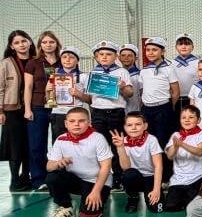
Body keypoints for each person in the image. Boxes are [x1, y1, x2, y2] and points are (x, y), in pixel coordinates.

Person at [45, 106, 113, 217]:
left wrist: (96, 191)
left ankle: (101, 197)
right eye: (72, 121)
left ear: (89, 122)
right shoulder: (61, 139)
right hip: (76, 180)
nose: (76, 124)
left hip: (97, 182)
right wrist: (57, 163)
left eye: (81, 121)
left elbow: (106, 167)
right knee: (52, 177)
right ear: (66, 124)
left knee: (89, 216)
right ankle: (66, 206)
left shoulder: (97, 138)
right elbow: (49, 167)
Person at [85, 40, 134, 184]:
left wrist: (123, 87)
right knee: (99, 145)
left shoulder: (122, 72)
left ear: (116, 57)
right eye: (101, 54)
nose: (105, 57)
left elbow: (130, 93)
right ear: (96, 57)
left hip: (116, 113)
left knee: (117, 145)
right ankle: (102, 177)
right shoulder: (92, 74)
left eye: (108, 54)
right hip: (98, 113)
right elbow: (89, 98)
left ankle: (118, 178)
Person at [0, 30, 35, 191]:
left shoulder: (36, 61)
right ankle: (14, 180)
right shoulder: (5, 63)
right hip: (12, 111)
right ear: (12, 46)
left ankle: (26, 176)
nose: (21, 45)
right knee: (14, 146)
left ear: (29, 42)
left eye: (23, 41)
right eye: (17, 43)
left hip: (33, 108)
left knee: (30, 144)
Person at [22, 30, 60, 192]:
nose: (48, 45)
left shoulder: (63, 61)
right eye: (44, 42)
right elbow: (28, 87)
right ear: (39, 45)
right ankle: (38, 179)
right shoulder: (33, 63)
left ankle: (58, 177)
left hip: (60, 108)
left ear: (57, 44)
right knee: (37, 144)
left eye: (51, 42)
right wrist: (27, 109)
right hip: (38, 107)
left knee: (60, 143)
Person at [111, 111, 164, 214]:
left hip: (151, 177)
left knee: (156, 209)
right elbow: (126, 167)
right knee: (128, 175)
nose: (134, 128)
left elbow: (158, 166)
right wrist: (120, 147)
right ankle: (133, 197)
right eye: (129, 125)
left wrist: (156, 189)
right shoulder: (122, 141)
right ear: (125, 127)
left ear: (145, 126)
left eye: (138, 124)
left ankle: (151, 192)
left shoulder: (152, 140)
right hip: (135, 177)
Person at [162, 105, 202, 212]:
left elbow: (199, 152)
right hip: (178, 179)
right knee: (170, 207)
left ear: (198, 120)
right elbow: (170, 156)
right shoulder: (176, 135)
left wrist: (182, 144)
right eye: (183, 117)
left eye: (191, 117)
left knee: (191, 206)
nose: (187, 120)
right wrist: (175, 146)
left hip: (196, 177)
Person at [138, 36, 179, 157]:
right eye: (148, 50)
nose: (150, 53)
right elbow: (142, 91)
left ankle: (165, 167)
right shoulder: (144, 70)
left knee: (163, 140)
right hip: (147, 110)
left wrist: (168, 107)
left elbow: (176, 91)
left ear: (163, 51)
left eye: (154, 50)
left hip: (163, 108)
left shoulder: (168, 69)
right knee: (148, 140)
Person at [50, 46, 87, 140]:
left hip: (76, 115)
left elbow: (90, 100)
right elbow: (49, 101)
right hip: (58, 113)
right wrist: (50, 94)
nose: (67, 59)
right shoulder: (53, 75)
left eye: (71, 57)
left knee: (78, 143)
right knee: (59, 142)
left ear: (77, 61)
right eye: (64, 57)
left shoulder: (84, 76)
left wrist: (79, 94)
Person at [172, 34, 199, 114]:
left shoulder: (199, 63)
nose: (183, 46)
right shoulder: (171, 64)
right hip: (176, 99)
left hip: (194, 98)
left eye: (187, 44)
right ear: (176, 47)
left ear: (192, 47)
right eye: (180, 44)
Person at [118, 43, 143, 115]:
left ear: (135, 58)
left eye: (130, 55)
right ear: (119, 58)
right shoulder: (115, 74)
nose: (126, 58)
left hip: (135, 112)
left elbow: (143, 95)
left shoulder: (140, 74)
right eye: (123, 55)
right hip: (117, 113)